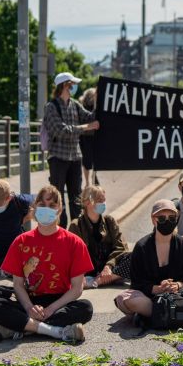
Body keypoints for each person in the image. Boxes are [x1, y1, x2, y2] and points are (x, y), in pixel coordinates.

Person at [0, 185, 93, 343]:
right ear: (34, 208)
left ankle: (23, 327)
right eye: (42, 205)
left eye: (52, 205)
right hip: (30, 301)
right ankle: (55, 331)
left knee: (86, 308)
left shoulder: (74, 242)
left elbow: (77, 289)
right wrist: (29, 308)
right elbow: (18, 285)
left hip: (59, 302)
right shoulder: (21, 241)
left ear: (59, 210)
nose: (46, 209)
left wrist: (51, 309)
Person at [114, 199, 183, 322]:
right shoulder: (142, 247)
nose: (167, 221)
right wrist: (157, 288)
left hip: (178, 294)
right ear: (153, 220)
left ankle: (152, 316)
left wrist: (178, 285)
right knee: (123, 298)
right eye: (161, 218)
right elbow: (136, 283)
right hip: (149, 297)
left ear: (177, 219)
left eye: (172, 218)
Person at [44, 72, 100, 228]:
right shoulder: (51, 107)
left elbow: (91, 117)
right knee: (58, 196)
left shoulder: (75, 104)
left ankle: (77, 229)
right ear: (64, 85)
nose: (74, 86)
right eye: (72, 84)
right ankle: (60, 229)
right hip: (58, 158)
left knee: (76, 196)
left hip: (75, 157)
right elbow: (61, 131)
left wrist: (97, 100)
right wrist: (85, 128)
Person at [68, 185, 131, 289]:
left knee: (136, 256)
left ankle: (100, 280)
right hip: (88, 272)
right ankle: (102, 278)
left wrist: (108, 266)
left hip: (110, 269)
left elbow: (121, 247)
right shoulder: (76, 225)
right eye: (99, 200)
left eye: (104, 200)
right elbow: (73, 255)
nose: (103, 203)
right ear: (87, 202)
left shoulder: (109, 221)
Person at [78, 87, 99, 188]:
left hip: (84, 136)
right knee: (92, 160)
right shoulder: (87, 108)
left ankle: (88, 181)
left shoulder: (81, 105)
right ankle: (91, 180)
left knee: (87, 161)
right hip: (90, 136)